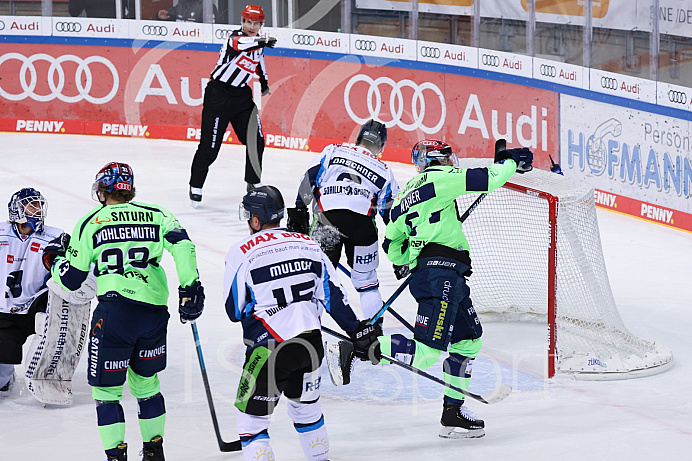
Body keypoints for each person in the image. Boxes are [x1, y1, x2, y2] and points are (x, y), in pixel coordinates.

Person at [49, 162, 205, 461]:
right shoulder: (157, 214)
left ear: (103, 189)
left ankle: (116, 457)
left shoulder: (91, 222)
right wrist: (190, 286)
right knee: (146, 385)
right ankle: (154, 452)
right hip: (153, 315)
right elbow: (183, 245)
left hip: (115, 314)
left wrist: (55, 262)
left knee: (107, 393)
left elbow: (72, 279)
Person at [377, 140, 532, 439]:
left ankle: (453, 413)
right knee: (427, 351)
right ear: (436, 159)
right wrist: (510, 163)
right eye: (447, 157)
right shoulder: (440, 178)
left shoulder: (404, 195)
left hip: (443, 275)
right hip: (440, 276)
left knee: (468, 342)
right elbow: (486, 180)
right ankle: (359, 349)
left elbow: (391, 244)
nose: (451, 162)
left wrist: (406, 258)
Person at [224, 185, 377, 461]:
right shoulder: (308, 244)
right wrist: (358, 331)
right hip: (310, 344)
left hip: (267, 348)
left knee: (251, 425)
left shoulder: (241, 251)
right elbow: (334, 297)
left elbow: (233, 310)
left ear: (256, 220)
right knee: (306, 411)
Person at [286, 119, 399, 328]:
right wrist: (402, 253)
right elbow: (392, 214)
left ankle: (307, 331)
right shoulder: (384, 170)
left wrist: (299, 209)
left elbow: (309, 178)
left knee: (317, 280)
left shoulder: (333, 150)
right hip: (362, 226)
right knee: (366, 283)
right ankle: (375, 333)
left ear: (357, 139)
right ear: (381, 148)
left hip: (328, 219)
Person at [189, 4, 276, 206]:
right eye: (248, 22)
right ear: (242, 22)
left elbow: (259, 62)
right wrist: (261, 40)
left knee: (257, 140)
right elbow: (242, 44)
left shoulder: (257, 44)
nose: (252, 26)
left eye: (256, 23)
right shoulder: (235, 39)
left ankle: (253, 182)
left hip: (241, 97)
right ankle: (196, 184)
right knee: (210, 148)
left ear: (261, 24)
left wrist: (264, 84)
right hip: (218, 95)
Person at [0, 188, 63, 395]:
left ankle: (49, 376)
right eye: (32, 205)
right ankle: (5, 376)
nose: (38, 210)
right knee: (1, 374)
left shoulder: (55, 237)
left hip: (36, 304)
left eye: (39, 205)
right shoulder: (1, 233)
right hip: (4, 309)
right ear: (17, 210)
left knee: (52, 333)